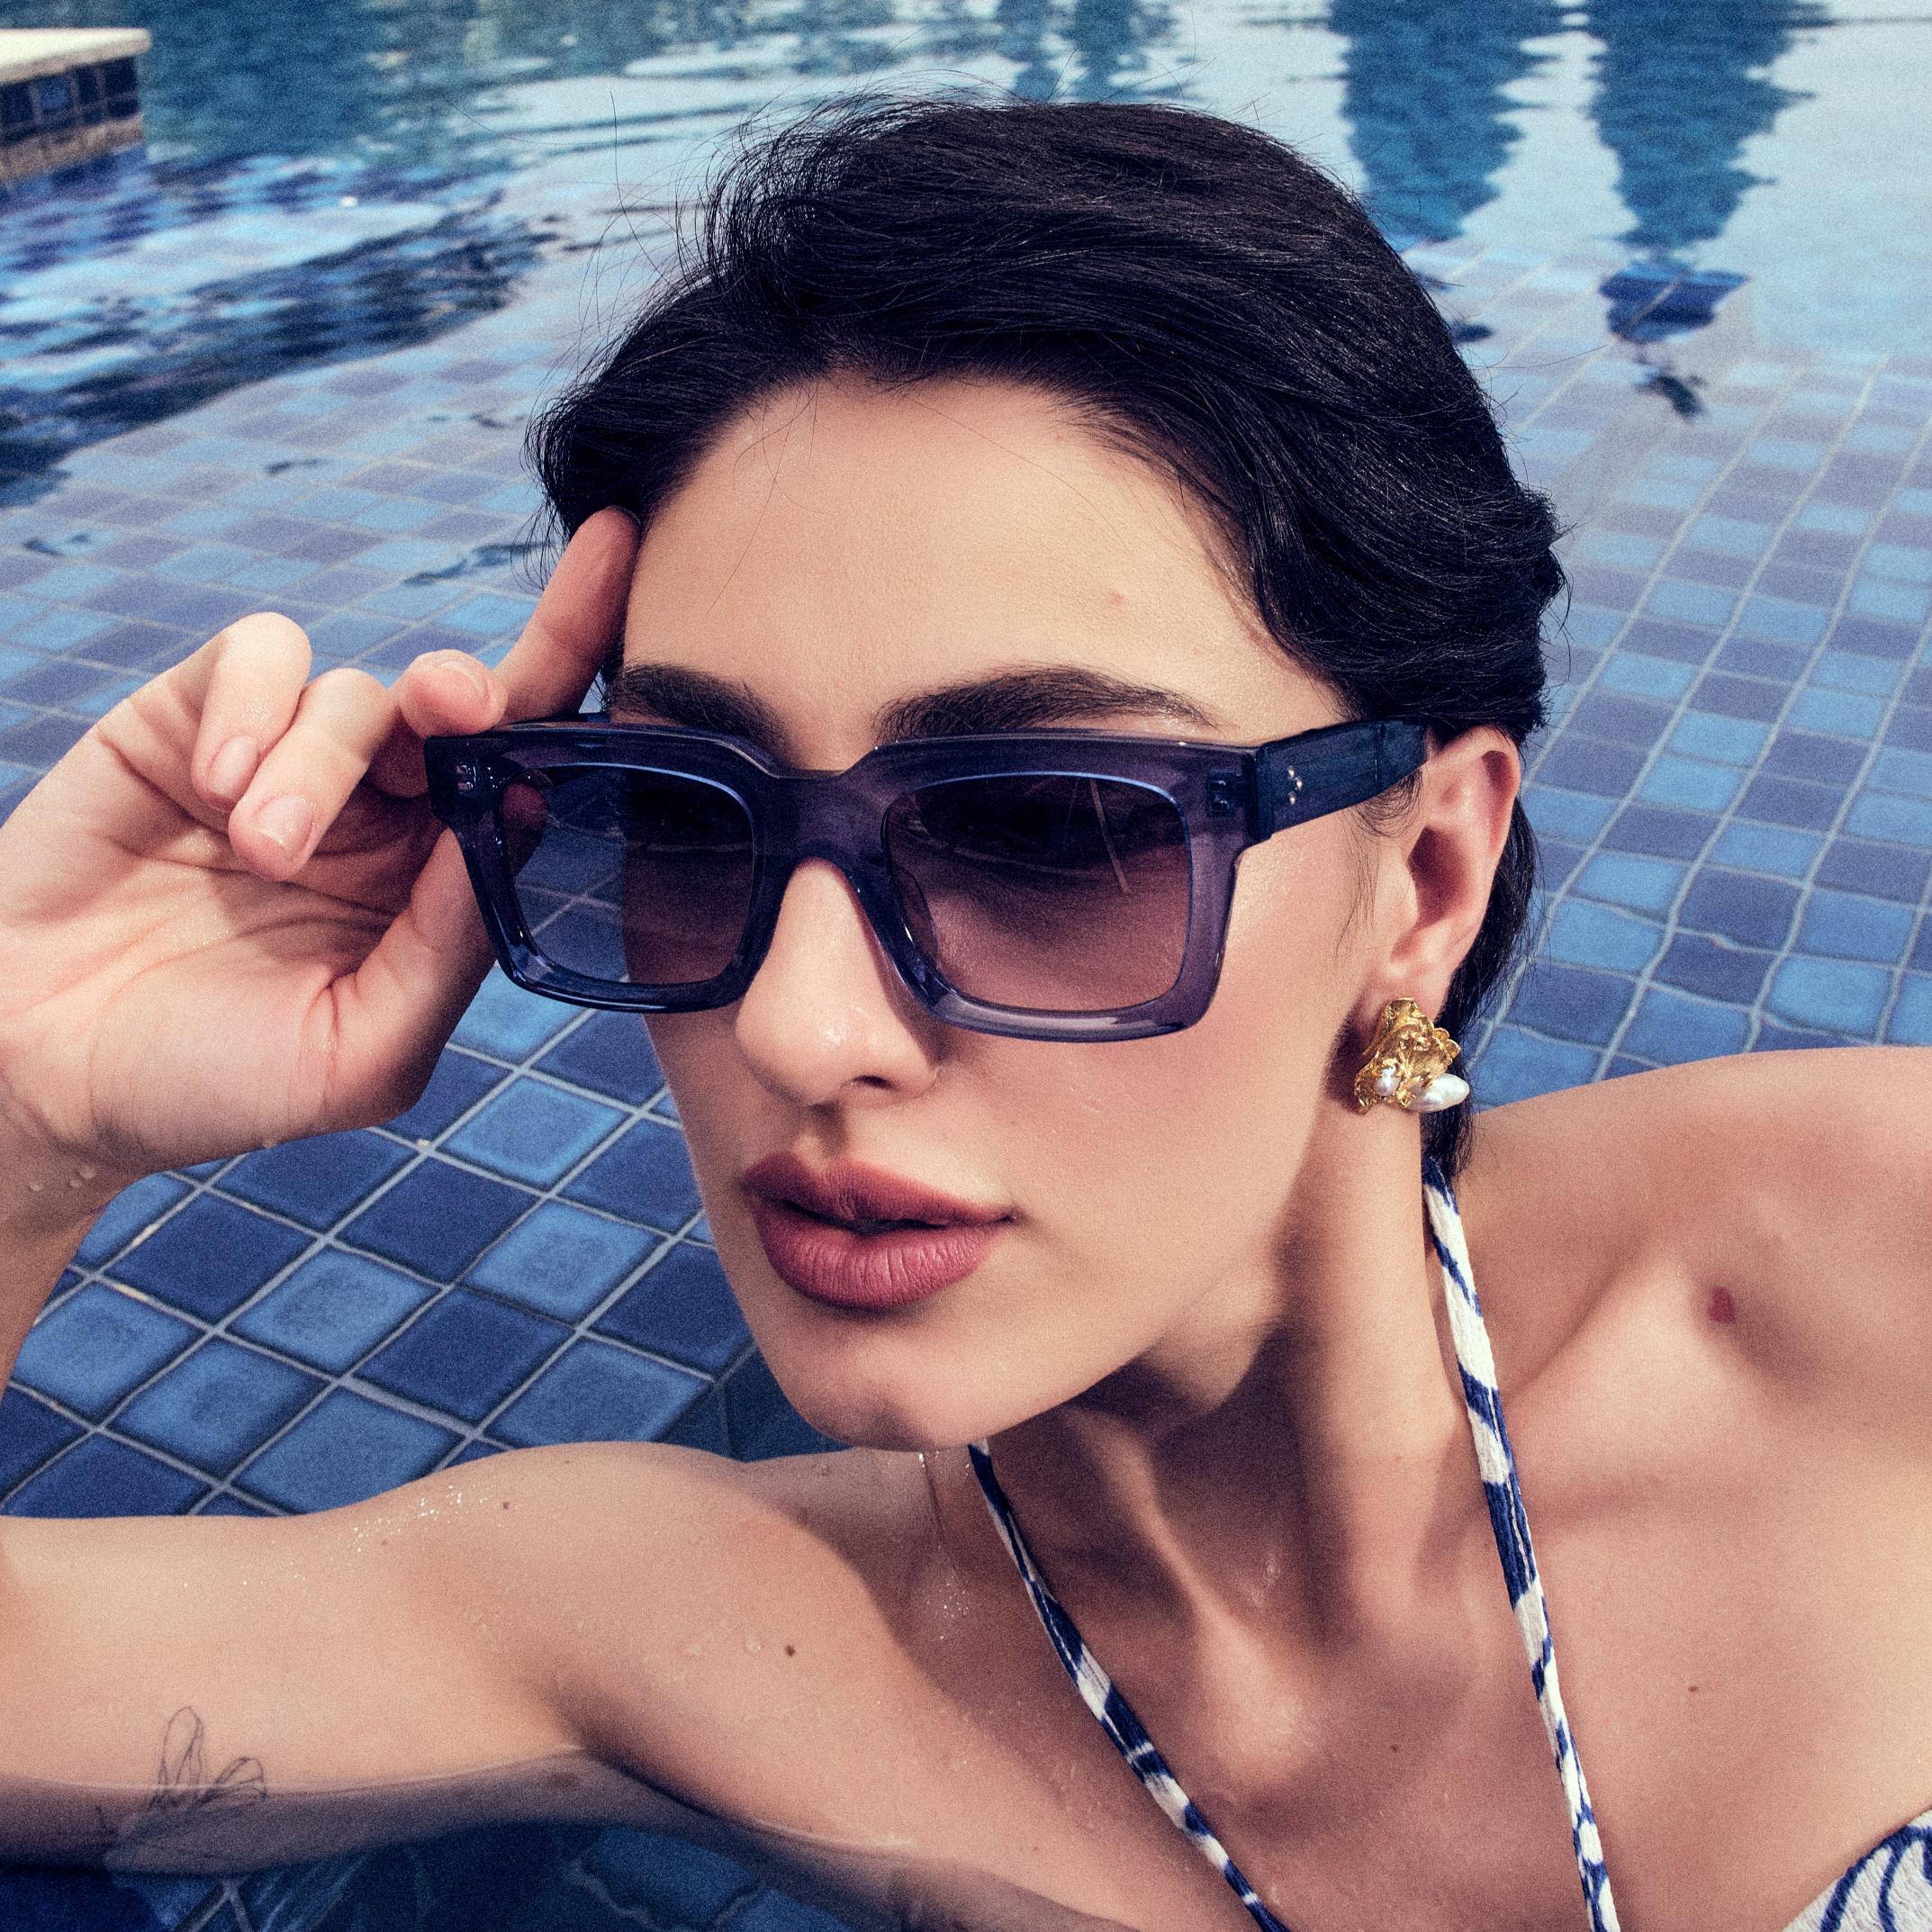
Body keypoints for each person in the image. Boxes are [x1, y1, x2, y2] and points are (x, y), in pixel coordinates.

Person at [0, 93, 1927, 1932]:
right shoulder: (735, 1639)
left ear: (1420, 879)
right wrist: (30, 1105)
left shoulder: (1878, 1277)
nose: (797, 1024)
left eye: (1050, 825)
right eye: (683, 814)